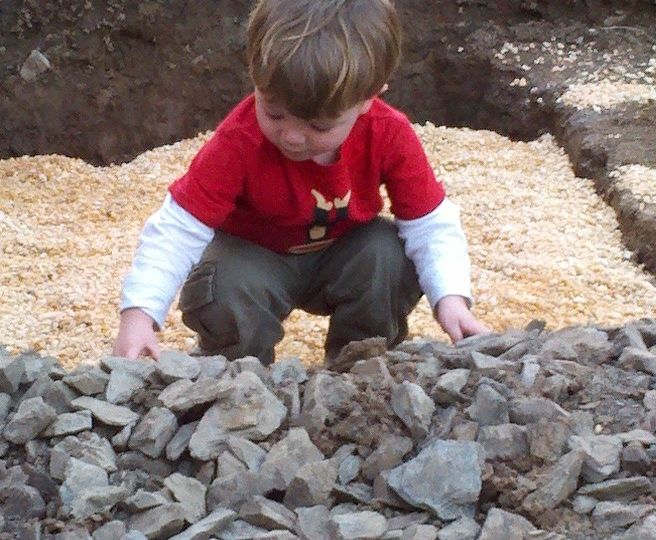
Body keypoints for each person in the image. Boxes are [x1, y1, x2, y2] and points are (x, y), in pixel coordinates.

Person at [113, 0, 489, 365]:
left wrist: (452, 299)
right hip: (255, 259)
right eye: (274, 112)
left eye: (319, 126)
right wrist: (140, 312)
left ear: (368, 100)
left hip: (343, 255)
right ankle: (238, 380)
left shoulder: (388, 132)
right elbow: (179, 226)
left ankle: (361, 368)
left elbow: (429, 222)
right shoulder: (239, 140)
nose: (292, 136)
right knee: (224, 283)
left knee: (387, 253)